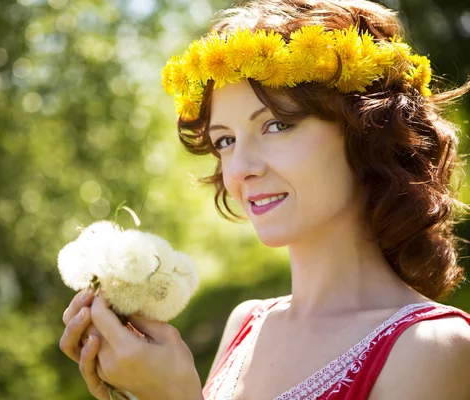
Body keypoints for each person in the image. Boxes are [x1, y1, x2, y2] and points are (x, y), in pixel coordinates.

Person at [60, 0, 470, 398]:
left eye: (276, 125)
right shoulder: (246, 324)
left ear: (366, 129)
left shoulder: (435, 347)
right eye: (225, 140)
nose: (238, 170)